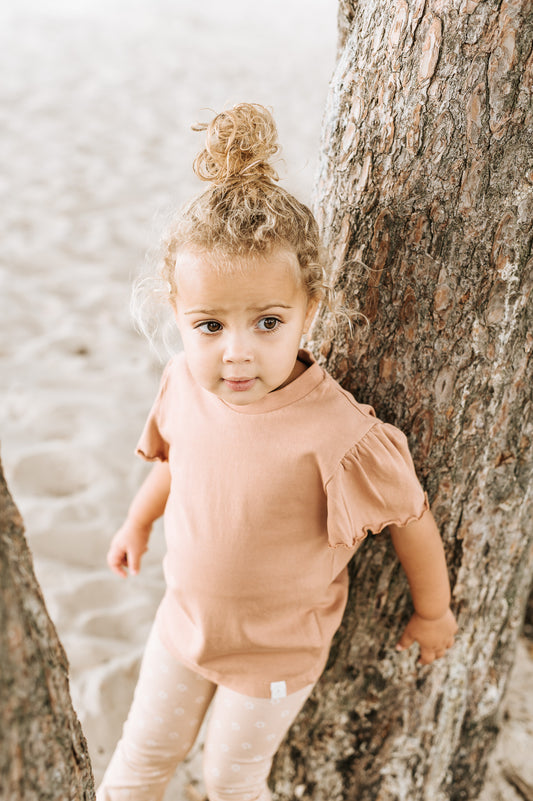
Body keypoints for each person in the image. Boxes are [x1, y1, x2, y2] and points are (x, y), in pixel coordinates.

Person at [97, 103, 458, 801]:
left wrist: (433, 610)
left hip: (275, 654)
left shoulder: (337, 431)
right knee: (137, 765)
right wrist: (138, 521)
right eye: (208, 325)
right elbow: (178, 463)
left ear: (310, 309)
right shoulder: (182, 383)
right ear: (176, 312)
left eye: (267, 323)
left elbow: (410, 517)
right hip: (181, 626)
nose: (236, 352)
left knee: (232, 782)